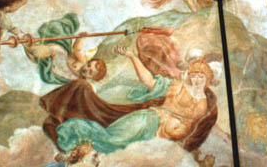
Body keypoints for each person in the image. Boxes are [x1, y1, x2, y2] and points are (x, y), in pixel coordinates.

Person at [54, 46, 217, 155]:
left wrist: (174, 132)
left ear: (207, 80)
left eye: (201, 77)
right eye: (194, 76)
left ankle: (83, 153)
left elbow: (189, 128)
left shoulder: (204, 105)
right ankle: (74, 134)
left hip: (159, 138)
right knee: (112, 139)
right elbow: (149, 81)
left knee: (121, 154)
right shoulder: (177, 87)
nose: (197, 80)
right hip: (147, 120)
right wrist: (132, 56)